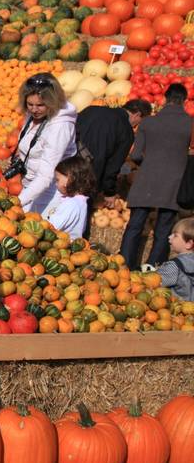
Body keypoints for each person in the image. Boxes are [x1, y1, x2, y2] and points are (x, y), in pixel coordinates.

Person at [120, 83, 193, 269]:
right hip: (174, 182)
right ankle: (153, 268)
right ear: (184, 101)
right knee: (164, 229)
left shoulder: (148, 122)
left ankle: (125, 265)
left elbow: (135, 155)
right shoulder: (190, 123)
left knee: (135, 225)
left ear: (165, 99)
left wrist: (149, 164)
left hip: (146, 179)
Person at [12, 73, 77, 213]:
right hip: (31, 187)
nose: (34, 110)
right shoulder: (35, 115)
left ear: (53, 102)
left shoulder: (60, 126)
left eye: (40, 105)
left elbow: (46, 176)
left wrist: (18, 202)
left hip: (50, 192)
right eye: (30, 104)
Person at [75, 99, 151, 209]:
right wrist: (109, 192)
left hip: (68, 166)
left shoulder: (91, 110)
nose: (136, 126)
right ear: (137, 115)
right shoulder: (126, 131)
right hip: (90, 176)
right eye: (139, 122)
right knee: (80, 213)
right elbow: (113, 166)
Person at [42, 155, 96, 240]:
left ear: (70, 179)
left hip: (62, 246)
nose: (56, 184)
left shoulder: (71, 204)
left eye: (57, 180)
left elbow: (51, 227)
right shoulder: (81, 202)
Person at [159, 217, 194, 302]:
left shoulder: (174, 265)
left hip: (178, 311)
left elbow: (155, 282)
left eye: (175, 235)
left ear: (188, 244)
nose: (169, 237)